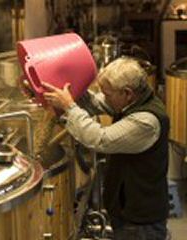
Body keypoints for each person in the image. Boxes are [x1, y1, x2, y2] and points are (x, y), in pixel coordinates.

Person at [43, 56, 169, 240]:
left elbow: (100, 139)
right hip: (126, 212)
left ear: (127, 93)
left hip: (140, 223)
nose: (105, 97)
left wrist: (69, 107)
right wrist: (66, 90)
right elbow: (95, 102)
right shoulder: (133, 101)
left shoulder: (146, 121)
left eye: (108, 94)